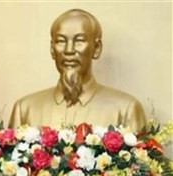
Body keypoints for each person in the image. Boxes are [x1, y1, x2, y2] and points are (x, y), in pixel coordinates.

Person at [8, 9, 147, 132]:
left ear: (97, 48)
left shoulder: (125, 110)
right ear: (52, 49)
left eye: (79, 41)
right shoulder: (25, 109)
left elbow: (141, 160)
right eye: (61, 41)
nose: (69, 50)